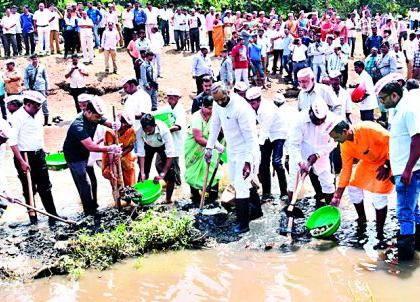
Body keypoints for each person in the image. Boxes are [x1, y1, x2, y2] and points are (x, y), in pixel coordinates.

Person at [205, 82, 261, 234]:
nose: (220, 103)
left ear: (228, 92)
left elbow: (250, 138)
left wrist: (249, 162)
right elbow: (215, 125)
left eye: (223, 99)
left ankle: (243, 225)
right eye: (217, 101)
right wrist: (209, 147)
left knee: (241, 187)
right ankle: (257, 212)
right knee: (237, 182)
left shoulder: (241, 108)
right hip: (233, 150)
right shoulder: (218, 104)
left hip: (247, 151)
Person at [329, 120, 393, 248]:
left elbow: (393, 141)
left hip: (387, 161)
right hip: (367, 163)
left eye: (336, 137)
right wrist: (337, 195)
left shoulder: (368, 128)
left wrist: (387, 164)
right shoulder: (344, 144)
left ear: (345, 132)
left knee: (378, 197)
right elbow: (346, 169)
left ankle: (380, 232)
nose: (336, 141)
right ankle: (362, 219)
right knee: (352, 186)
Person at [376, 81, 420, 261]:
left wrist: (407, 170)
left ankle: (405, 259)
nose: (381, 103)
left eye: (384, 99)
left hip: (408, 171)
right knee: (414, 209)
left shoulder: (408, 110)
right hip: (402, 169)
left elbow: (417, 141)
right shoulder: (396, 111)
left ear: (395, 95)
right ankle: (416, 246)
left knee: (404, 213)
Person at [8, 90, 62, 225]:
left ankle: (52, 215)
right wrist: (21, 162)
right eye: (36, 105)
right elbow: (13, 142)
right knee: (29, 188)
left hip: (39, 155)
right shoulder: (17, 118)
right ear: (27, 104)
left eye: (39, 105)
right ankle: (33, 218)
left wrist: (43, 149)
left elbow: (38, 134)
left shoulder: (37, 115)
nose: (38, 108)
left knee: (45, 186)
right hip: (25, 157)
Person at [63, 96, 121, 215]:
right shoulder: (78, 126)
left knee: (88, 181)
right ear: (88, 112)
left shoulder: (94, 116)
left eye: (99, 117)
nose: (99, 119)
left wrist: (114, 124)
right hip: (74, 156)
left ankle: (91, 206)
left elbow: (105, 122)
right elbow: (91, 147)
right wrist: (111, 148)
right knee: (84, 183)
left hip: (85, 152)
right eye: (97, 117)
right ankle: (89, 212)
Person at [288, 98, 337, 207]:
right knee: (293, 184)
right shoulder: (299, 119)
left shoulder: (333, 119)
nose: (319, 122)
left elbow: (334, 142)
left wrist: (319, 154)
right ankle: (291, 208)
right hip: (301, 153)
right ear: (310, 112)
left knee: (328, 183)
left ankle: (331, 210)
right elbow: (293, 145)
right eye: (316, 119)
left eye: (322, 120)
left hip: (321, 153)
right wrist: (300, 162)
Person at [245, 87, 289, 200]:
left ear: (259, 100)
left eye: (253, 103)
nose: (251, 105)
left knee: (276, 162)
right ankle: (266, 193)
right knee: (263, 165)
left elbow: (264, 130)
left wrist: (256, 147)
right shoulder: (251, 107)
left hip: (279, 134)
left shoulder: (267, 109)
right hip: (268, 135)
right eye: (249, 103)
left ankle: (284, 192)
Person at [185, 95, 221, 205]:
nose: (211, 111)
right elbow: (198, 138)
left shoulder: (215, 115)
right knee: (194, 169)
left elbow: (220, 130)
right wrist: (213, 145)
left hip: (210, 146)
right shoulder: (196, 117)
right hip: (195, 148)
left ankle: (213, 195)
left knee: (212, 167)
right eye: (209, 108)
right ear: (202, 107)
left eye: (213, 108)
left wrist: (217, 144)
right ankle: (195, 195)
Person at [136, 114, 180, 204]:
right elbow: (141, 153)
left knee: (171, 173)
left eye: (150, 130)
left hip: (162, 146)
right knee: (142, 175)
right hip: (148, 145)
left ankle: (168, 199)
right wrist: (143, 172)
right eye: (145, 130)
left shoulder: (164, 130)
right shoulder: (139, 131)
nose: (147, 133)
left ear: (154, 126)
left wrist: (162, 174)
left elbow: (170, 154)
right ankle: (140, 199)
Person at [102, 111, 136, 189]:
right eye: (125, 125)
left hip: (125, 157)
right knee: (115, 179)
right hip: (111, 159)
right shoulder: (110, 132)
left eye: (128, 126)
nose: (126, 128)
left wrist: (121, 155)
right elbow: (110, 151)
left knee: (129, 177)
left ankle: (129, 195)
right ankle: (118, 198)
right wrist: (112, 165)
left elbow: (131, 146)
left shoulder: (131, 131)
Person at [23, 54, 50, 127]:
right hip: (33, 88)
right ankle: (34, 120)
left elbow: (46, 78)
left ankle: (46, 121)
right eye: (33, 59)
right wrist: (27, 87)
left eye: (36, 59)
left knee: (44, 103)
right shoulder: (28, 68)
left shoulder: (42, 67)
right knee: (33, 104)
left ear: (38, 59)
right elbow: (25, 78)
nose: (35, 60)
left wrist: (47, 89)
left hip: (41, 87)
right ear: (31, 60)